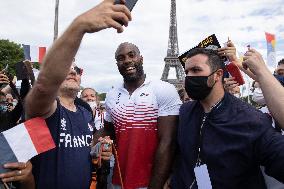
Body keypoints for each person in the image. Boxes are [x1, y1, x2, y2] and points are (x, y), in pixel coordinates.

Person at [0, 0, 131, 188]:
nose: (72, 71)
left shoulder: (85, 109)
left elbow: (86, 147)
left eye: (76, 69)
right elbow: (45, 85)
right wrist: (80, 25)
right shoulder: (47, 108)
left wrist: (100, 150)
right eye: (66, 68)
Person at [171, 48, 284, 188]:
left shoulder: (251, 121)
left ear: (218, 75)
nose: (189, 77)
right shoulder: (185, 112)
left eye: (196, 70)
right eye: (186, 72)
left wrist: (262, 71)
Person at [93, 42, 181, 189]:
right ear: (117, 64)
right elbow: (109, 130)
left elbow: (168, 141)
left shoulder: (164, 90)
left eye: (131, 55)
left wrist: (156, 185)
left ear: (141, 59)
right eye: (121, 58)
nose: (127, 60)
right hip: (118, 180)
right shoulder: (112, 95)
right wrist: (89, 144)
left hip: (151, 181)